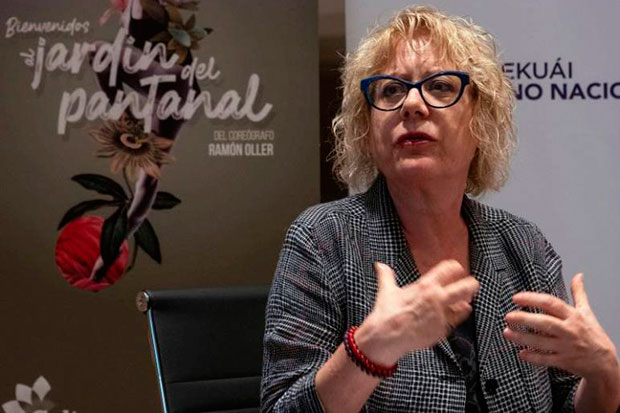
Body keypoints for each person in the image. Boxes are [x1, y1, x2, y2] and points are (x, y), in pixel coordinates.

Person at [261, 6, 620, 412]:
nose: (411, 104)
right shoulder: (323, 239)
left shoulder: (523, 244)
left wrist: (604, 370)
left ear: (481, 121)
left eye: (440, 87)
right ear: (367, 127)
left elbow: (568, 401)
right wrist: (372, 348)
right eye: (390, 90)